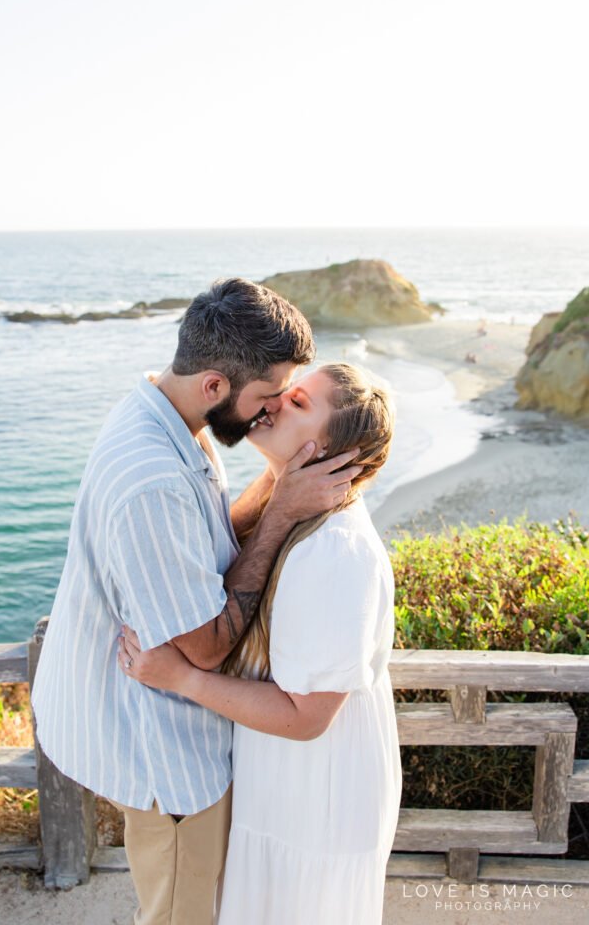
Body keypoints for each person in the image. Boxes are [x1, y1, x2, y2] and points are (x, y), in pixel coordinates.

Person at [31, 279, 363, 925]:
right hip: (168, 759)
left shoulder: (168, 412)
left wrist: (275, 487)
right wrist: (280, 516)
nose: (268, 415)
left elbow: (208, 531)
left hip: (164, 734)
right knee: (180, 915)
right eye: (266, 399)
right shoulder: (151, 476)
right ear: (215, 386)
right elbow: (206, 646)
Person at [118, 362, 403, 925]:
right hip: (280, 777)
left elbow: (306, 718)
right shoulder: (297, 513)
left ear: (329, 455)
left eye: (299, 404)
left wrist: (182, 677)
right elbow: (228, 548)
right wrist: (280, 485)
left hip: (316, 789)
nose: (274, 402)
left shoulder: (336, 554)